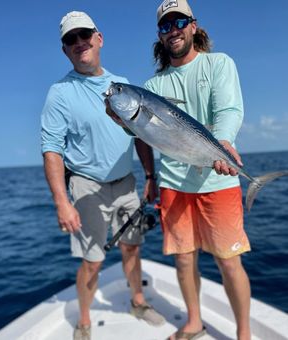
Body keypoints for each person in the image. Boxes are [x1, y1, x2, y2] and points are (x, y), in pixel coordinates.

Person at [106, 1, 251, 339]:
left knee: (229, 262)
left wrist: (225, 143)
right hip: (173, 185)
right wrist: (122, 121)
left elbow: (229, 108)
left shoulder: (218, 64)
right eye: (165, 26)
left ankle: (243, 333)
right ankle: (194, 322)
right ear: (159, 35)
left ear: (194, 26)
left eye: (179, 22)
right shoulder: (153, 87)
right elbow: (142, 132)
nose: (173, 30)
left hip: (218, 177)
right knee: (184, 261)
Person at [41, 10, 165, 340]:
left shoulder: (122, 85)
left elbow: (139, 136)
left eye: (85, 35)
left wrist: (151, 177)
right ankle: (83, 321)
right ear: (65, 49)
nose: (79, 42)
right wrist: (61, 202)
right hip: (86, 188)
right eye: (71, 39)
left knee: (132, 248)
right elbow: (51, 149)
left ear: (99, 38)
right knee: (93, 261)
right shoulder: (60, 93)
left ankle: (138, 301)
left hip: (127, 183)